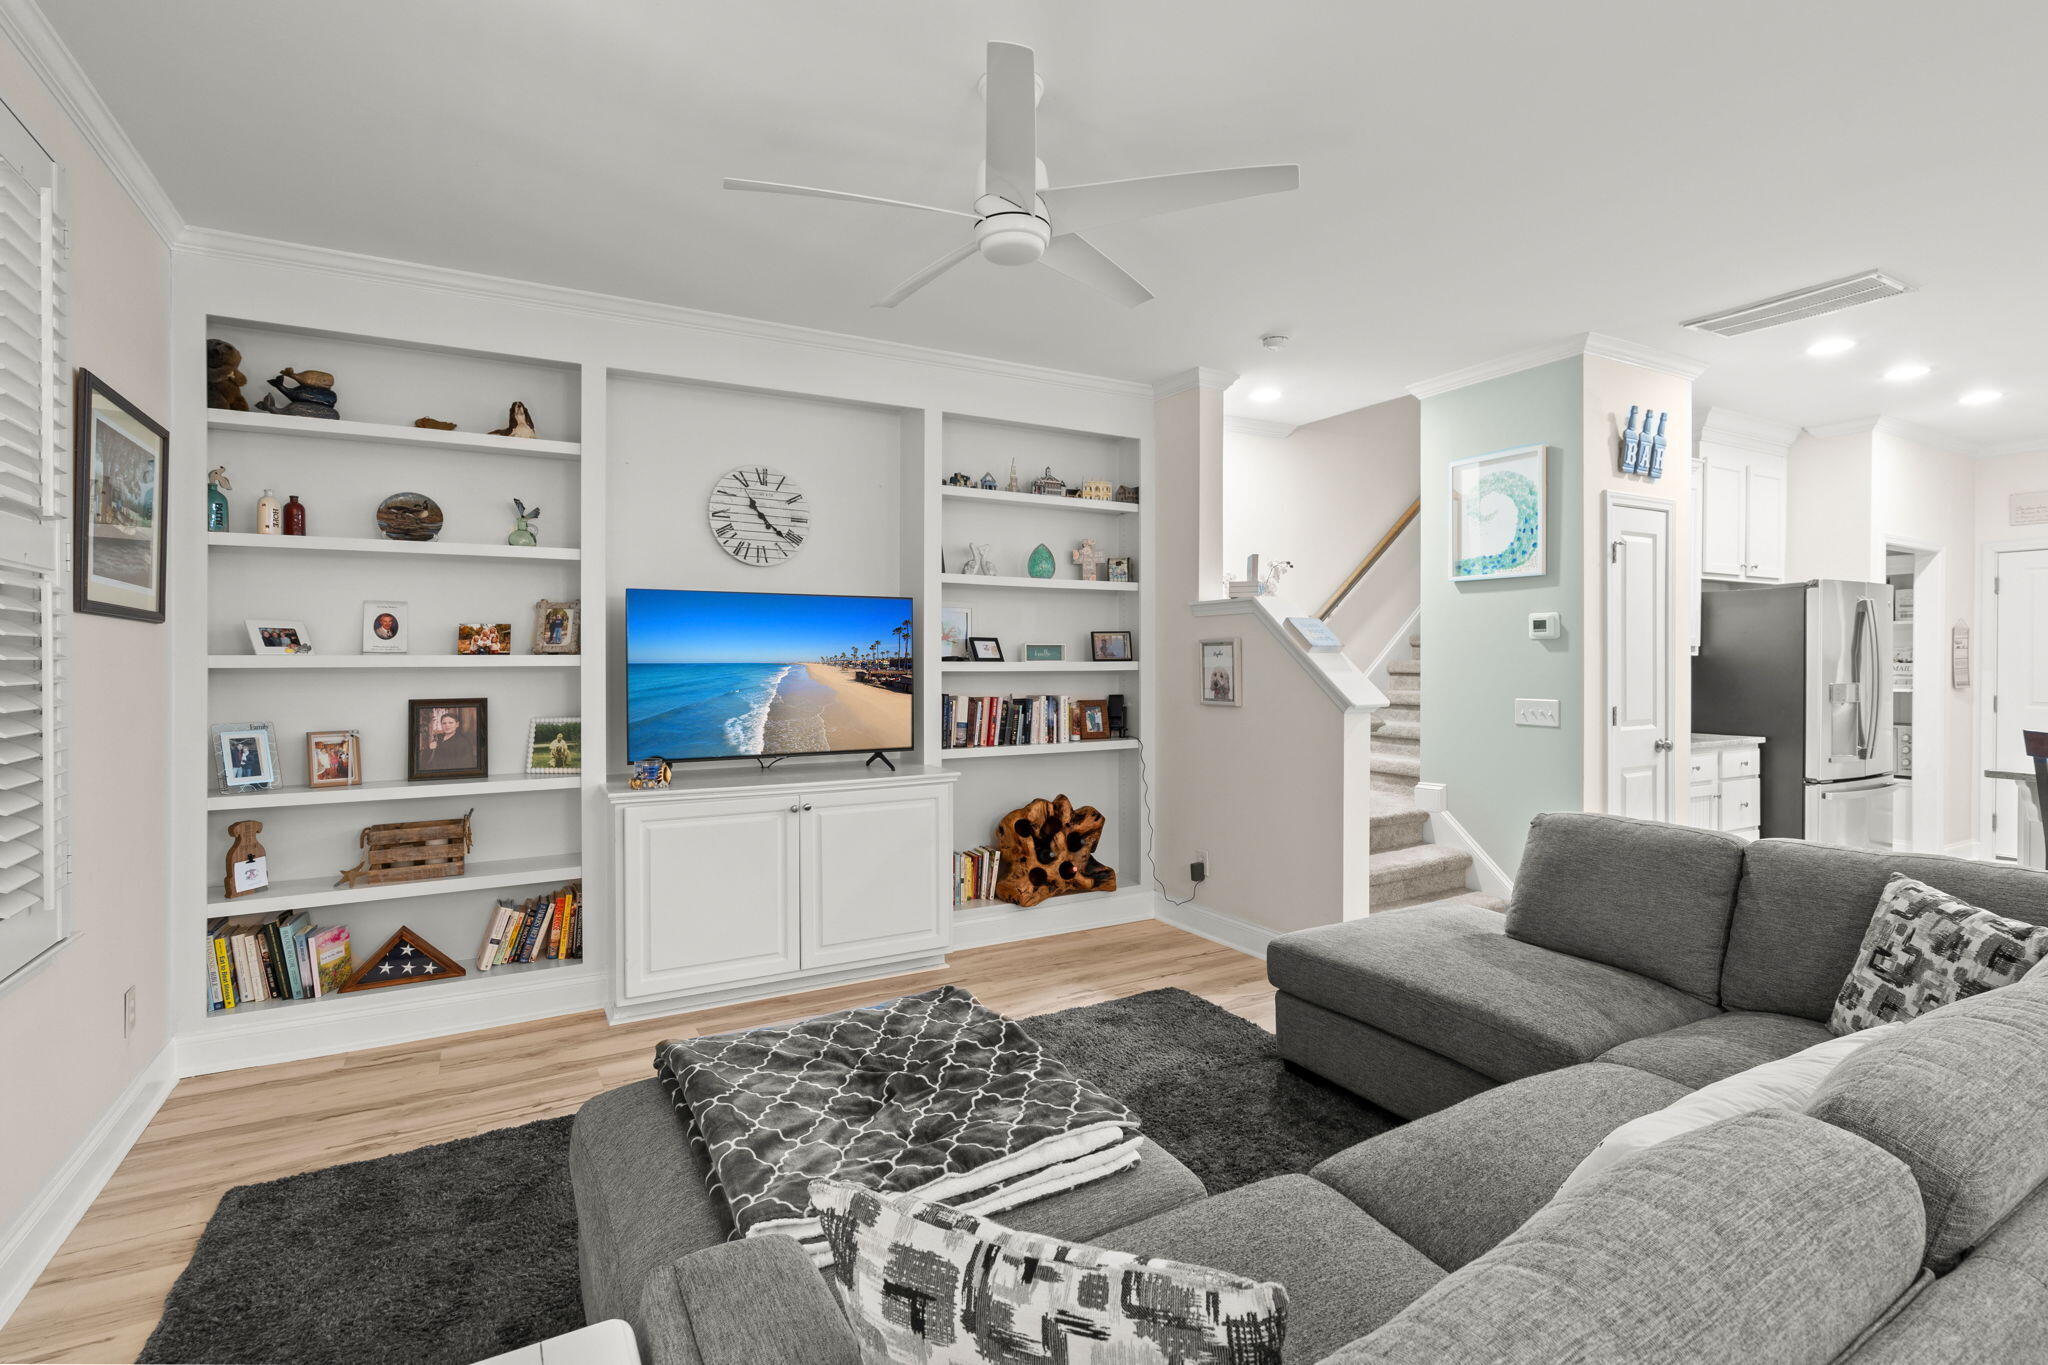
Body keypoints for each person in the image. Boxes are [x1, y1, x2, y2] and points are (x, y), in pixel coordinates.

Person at [420, 707, 479, 772]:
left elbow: (467, 765)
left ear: (457, 724)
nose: (447, 725)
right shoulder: (438, 738)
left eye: (451, 723)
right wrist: (429, 748)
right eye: (444, 723)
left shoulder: (463, 742)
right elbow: (425, 760)